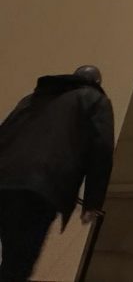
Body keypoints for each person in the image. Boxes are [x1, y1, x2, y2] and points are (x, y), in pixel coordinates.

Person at [0, 65, 114, 282]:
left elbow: (4, 133)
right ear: (97, 83)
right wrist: (92, 202)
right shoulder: (94, 100)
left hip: (4, 180)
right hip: (39, 189)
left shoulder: (32, 98)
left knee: (11, 258)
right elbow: (101, 149)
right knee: (18, 264)